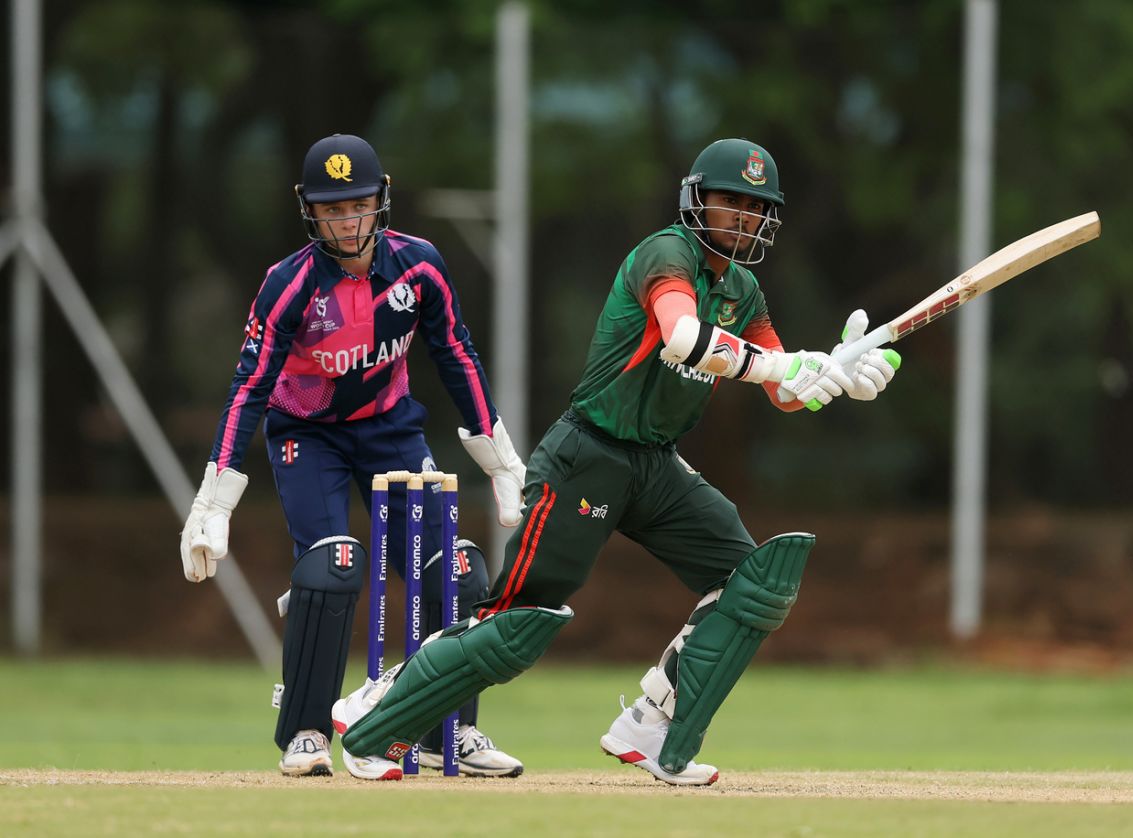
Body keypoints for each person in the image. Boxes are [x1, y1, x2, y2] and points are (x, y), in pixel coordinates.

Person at [328, 137, 900, 784]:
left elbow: (782, 387)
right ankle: (376, 711)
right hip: (588, 456)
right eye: (730, 201)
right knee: (517, 624)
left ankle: (653, 727)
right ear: (697, 200)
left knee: (754, 582)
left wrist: (837, 372)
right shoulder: (667, 254)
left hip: (656, 466)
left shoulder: (743, 289)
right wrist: (783, 367)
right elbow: (684, 338)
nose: (743, 216)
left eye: (755, 206)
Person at [178, 134, 528, 779]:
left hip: (391, 428)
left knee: (456, 569)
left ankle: (444, 729)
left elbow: (456, 353)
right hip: (307, 435)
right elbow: (250, 385)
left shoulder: (419, 266)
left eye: (359, 205)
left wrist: (500, 459)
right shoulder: (288, 284)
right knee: (331, 565)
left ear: (381, 200)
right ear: (310, 212)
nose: (348, 221)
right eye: (332, 209)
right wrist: (214, 499)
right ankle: (306, 731)